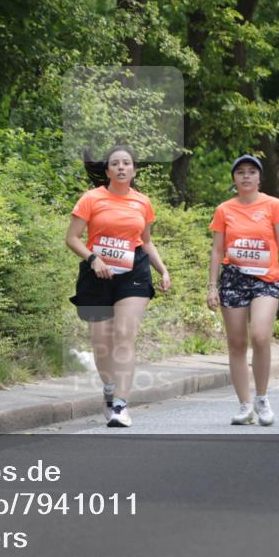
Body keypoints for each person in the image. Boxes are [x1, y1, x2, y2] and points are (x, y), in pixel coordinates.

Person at [66, 146, 171, 428]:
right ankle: (111, 389)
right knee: (101, 344)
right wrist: (93, 259)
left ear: (134, 170)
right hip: (96, 273)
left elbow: (145, 241)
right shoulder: (91, 198)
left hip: (133, 272)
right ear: (108, 171)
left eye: (127, 163)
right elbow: (73, 238)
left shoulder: (142, 203)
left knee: (125, 335)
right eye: (116, 163)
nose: (122, 167)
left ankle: (121, 406)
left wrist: (161, 268)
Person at [207, 155, 279, 426]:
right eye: (240, 172)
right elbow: (216, 250)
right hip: (233, 279)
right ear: (234, 179)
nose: (246, 176)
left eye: (251, 172)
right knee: (236, 343)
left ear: (259, 178)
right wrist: (212, 286)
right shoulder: (225, 209)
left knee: (260, 336)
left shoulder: (273, 205)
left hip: (265, 280)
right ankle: (244, 405)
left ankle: (262, 397)